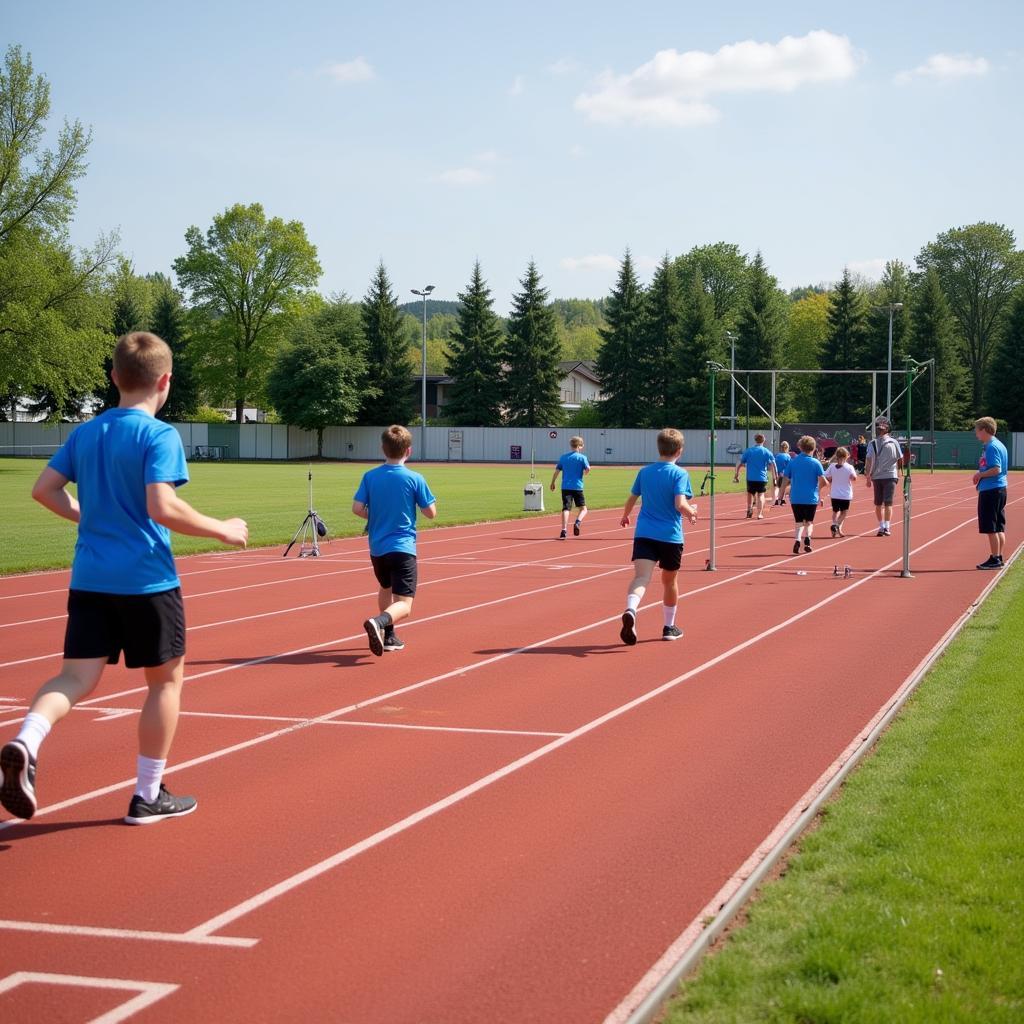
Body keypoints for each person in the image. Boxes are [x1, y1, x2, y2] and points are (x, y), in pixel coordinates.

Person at [0, 332, 248, 825]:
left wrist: (90, 518)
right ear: (165, 381)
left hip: (91, 578)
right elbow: (162, 505)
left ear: (114, 377)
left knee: (74, 677)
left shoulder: (87, 432)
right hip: (146, 582)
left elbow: (44, 490)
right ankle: (147, 794)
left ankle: (26, 739)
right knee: (164, 684)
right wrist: (222, 529)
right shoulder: (159, 435)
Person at [353, 425, 437, 656]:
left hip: (377, 548)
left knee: (385, 587)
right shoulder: (414, 478)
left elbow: (357, 508)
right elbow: (431, 513)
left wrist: (377, 514)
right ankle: (379, 623)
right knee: (405, 605)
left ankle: (389, 635)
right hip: (402, 547)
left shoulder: (370, 476)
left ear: (383, 448)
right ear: (408, 451)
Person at [618, 428, 699, 645]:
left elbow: (632, 498)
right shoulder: (680, 474)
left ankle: (631, 609)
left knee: (641, 577)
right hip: (670, 536)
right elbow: (680, 504)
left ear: (659, 448)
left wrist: (626, 516)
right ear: (680, 451)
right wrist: (692, 512)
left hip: (644, 533)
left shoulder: (645, 472)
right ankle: (668, 627)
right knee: (669, 581)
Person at [972, 416, 1008, 570]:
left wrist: (980, 475)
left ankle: (995, 559)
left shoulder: (992, 446)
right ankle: (998, 556)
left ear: (985, 430)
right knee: (999, 526)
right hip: (998, 489)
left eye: (977, 430)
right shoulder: (997, 444)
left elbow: (996, 469)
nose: (976, 434)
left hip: (991, 489)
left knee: (991, 527)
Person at [784, 435, 829, 554]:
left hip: (796, 497)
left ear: (800, 447)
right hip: (811, 497)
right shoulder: (816, 463)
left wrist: (781, 495)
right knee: (809, 522)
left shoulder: (793, 462)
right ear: (813, 448)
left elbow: (785, 479)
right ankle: (808, 538)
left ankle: (798, 540)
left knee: (799, 521)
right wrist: (818, 489)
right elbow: (824, 481)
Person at [864, 417, 908, 536]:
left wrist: (868, 476)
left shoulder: (891, 442)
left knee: (886, 503)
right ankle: (882, 526)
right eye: (879, 428)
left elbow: (900, 459)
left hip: (887, 476)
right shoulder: (876, 443)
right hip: (882, 476)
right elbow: (900, 459)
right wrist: (868, 476)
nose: (880, 431)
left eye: (881, 429)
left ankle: (885, 526)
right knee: (880, 503)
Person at [550, 435, 591, 539]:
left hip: (565, 487)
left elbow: (557, 471)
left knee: (566, 508)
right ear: (580, 446)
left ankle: (563, 530)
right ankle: (577, 522)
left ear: (571, 445)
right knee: (583, 509)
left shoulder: (564, 457)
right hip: (577, 486)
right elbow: (588, 469)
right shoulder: (582, 457)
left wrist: (553, 482)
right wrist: (585, 472)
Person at [733, 432, 777, 520]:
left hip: (751, 477)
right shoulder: (767, 451)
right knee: (761, 495)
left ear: (755, 440)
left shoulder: (749, 451)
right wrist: (775, 477)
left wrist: (736, 474)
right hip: (762, 477)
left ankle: (749, 509)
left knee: (750, 494)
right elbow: (773, 465)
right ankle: (759, 513)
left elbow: (740, 463)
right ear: (764, 441)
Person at [825, 447, 857, 537]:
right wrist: (851, 477)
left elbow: (826, 476)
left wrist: (830, 478)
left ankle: (837, 529)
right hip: (845, 494)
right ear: (846, 456)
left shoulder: (832, 466)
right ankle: (836, 525)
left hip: (834, 493)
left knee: (835, 512)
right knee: (844, 512)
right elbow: (854, 478)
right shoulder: (849, 467)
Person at [772, 441, 792, 506]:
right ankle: (781, 499)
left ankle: (777, 499)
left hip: (777, 474)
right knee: (783, 487)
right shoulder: (788, 456)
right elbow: (789, 466)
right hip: (784, 474)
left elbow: (774, 465)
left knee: (777, 487)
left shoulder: (777, 456)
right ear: (787, 448)